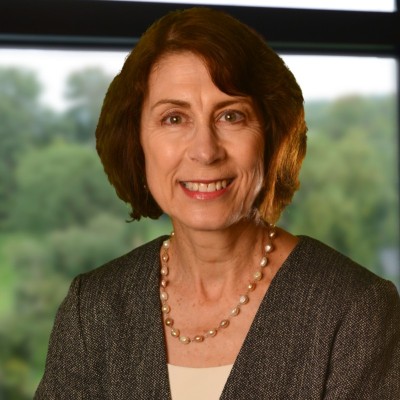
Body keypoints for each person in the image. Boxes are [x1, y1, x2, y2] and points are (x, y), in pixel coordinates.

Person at [35, 7, 400, 400]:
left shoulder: (356, 310)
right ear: (135, 141)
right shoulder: (93, 308)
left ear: (271, 136)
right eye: (174, 119)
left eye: (231, 116)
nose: (205, 151)